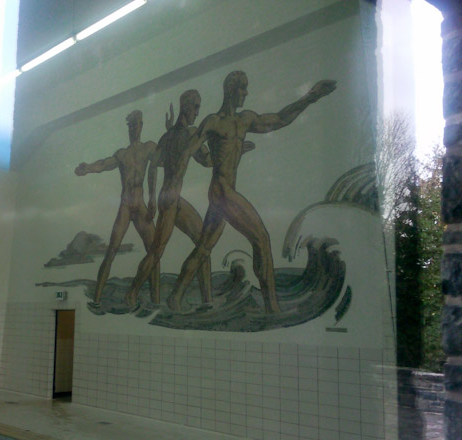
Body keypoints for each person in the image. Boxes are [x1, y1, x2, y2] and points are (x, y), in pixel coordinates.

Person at [166, 71, 337, 314]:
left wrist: (310, 97)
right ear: (230, 89)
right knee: (261, 239)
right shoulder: (213, 122)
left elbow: (279, 119)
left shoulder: (245, 119)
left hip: (223, 195)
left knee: (203, 248)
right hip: (222, 192)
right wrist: (173, 187)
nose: (246, 93)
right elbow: (187, 152)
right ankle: (272, 307)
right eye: (242, 88)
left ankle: (175, 297)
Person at [124, 90, 214, 308]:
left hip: (169, 198)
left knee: (203, 244)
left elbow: (154, 166)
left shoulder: (167, 137)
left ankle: (207, 300)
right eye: (195, 107)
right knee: (157, 251)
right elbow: (207, 161)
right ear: (186, 107)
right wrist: (229, 149)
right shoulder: (191, 134)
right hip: (171, 201)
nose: (197, 112)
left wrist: (153, 199)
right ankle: (132, 293)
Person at [75, 110, 160, 306]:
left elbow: (162, 161)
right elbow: (104, 164)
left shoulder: (148, 148)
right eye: (131, 125)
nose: (134, 128)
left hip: (140, 205)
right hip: (126, 206)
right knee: (111, 251)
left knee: (154, 251)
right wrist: (87, 168)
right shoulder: (123, 154)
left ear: (142, 125)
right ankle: (96, 299)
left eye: (137, 124)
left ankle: (156, 301)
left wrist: (154, 199)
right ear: (128, 128)